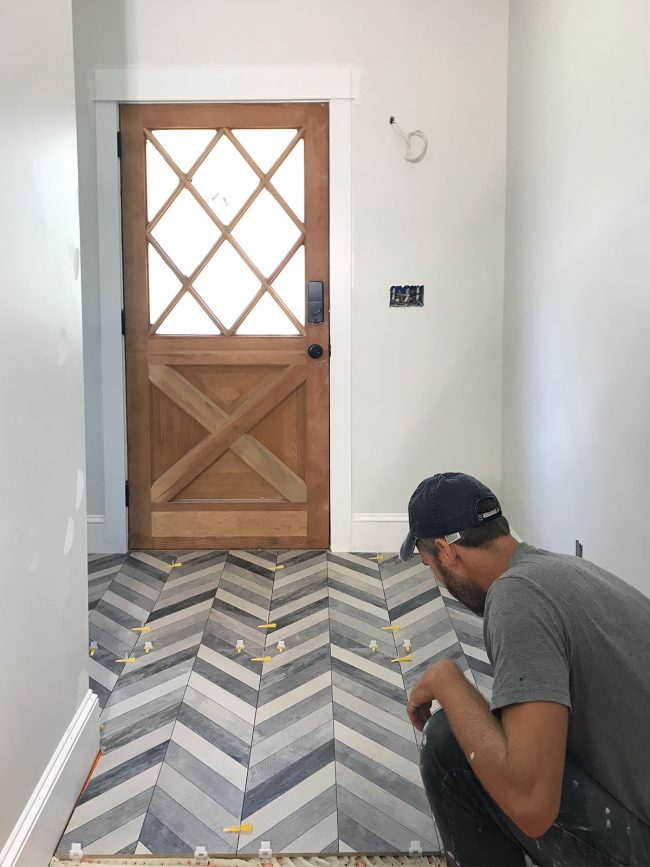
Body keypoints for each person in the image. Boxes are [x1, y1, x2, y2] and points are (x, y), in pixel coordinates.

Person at [400, 472, 650, 867]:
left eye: (431, 566)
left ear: (447, 553)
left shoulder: (517, 599)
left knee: (451, 744)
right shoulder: (564, 571)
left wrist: (446, 679)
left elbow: (531, 805)